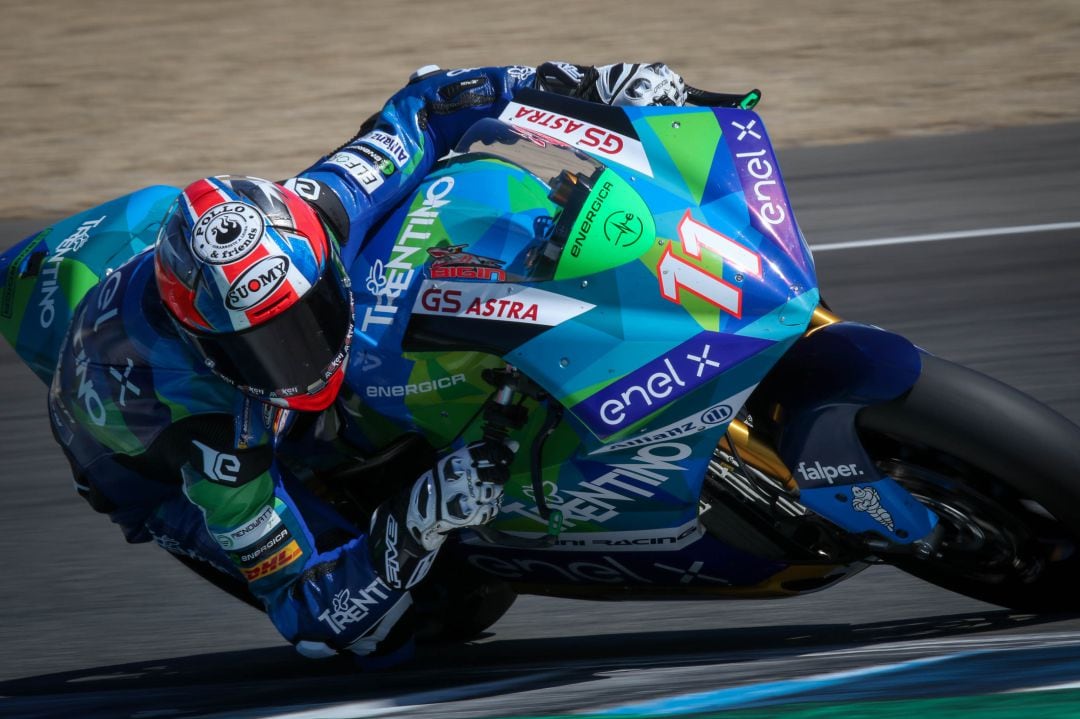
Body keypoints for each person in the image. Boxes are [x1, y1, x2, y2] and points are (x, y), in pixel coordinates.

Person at [44, 62, 688, 663]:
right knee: (421, 623)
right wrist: (419, 518)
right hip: (147, 468)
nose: (304, 354)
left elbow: (434, 103)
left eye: (309, 316)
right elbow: (308, 618)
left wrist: (591, 84)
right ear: (210, 347)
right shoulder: (217, 450)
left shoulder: (317, 207)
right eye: (266, 346)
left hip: (174, 305)